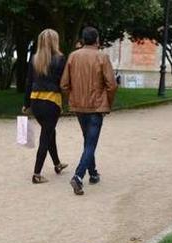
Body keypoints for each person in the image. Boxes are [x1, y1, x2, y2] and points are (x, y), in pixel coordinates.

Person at [60, 26, 118, 196]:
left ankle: (93, 173)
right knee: (91, 143)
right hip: (96, 106)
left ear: (84, 39)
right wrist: (108, 103)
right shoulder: (102, 57)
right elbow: (112, 85)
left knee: (88, 140)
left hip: (79, 105)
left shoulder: (73, 56)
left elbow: (64, 84)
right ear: (97, 40)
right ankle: (78, 176)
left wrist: (72, 97)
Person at [23, 29, 69, 184]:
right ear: (54, 41)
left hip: (36, 101)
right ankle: (36, 173)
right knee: (46, 136)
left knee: (50, 133)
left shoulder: (34, 58)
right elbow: (64, 82)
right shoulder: (61, 58)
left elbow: (28, 82)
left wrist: (26, 103)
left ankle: (57, 164)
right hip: (51, 102)